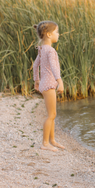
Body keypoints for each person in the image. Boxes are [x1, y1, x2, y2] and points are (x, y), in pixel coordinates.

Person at [33, 21, 65, 152]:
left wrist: (36, 80)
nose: (58, 34)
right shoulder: (50, 51)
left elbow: (35, 65)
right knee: (51, 115)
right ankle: (45, 143)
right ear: (48, 34)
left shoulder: (41, 50)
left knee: (52, 114)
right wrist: (60, 81)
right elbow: (53, 67)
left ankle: (52, 140)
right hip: (49, 84)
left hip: (44, 84)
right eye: (56, 32)